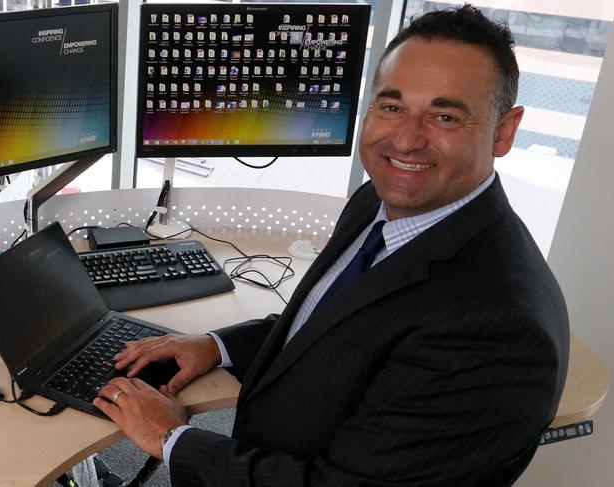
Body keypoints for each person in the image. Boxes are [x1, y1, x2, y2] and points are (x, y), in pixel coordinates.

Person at [95, 5, 569, 486]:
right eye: (392, 106)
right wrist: (215, 346)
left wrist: (170, 438)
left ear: (504, 131)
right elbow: (332, 328)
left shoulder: (496, 327)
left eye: (445, 116)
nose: (405, 140)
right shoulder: (378, 203)